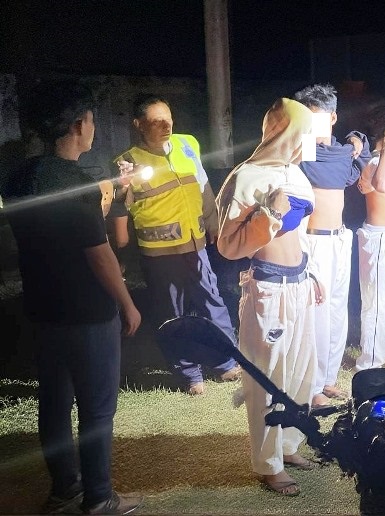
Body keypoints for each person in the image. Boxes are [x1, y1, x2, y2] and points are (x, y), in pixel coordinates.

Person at [2, 80, 142, 514]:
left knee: (54, 402)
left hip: (42, 305)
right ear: (79, 125)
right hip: (87, 310)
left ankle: (64, 488)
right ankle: (99, 497)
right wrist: (127, 303)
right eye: (92, 120)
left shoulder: (19, 177)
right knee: (97, 409)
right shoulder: (77, 182)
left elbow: (60, 229)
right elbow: (98, 254)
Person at [216, 97, 324, 497]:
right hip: (267, 290)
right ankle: (268, 465)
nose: (309, 141)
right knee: (268, 380)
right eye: (305, 133)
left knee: (300, 374)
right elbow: (228, 246)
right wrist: (269, 215)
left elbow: (302, 233)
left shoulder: (295, 173)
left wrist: (312, 272)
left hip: (300, 285)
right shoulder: (246, 177)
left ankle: (289, 445)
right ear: (285, 132)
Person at [115, 95, 241, 395]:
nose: (166, 126)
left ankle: (226, 362)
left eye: (168, 119)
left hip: (196, 245)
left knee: (213, 302)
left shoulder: (187, 144)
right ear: (138, 124)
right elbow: (120, 208)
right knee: (173, 314)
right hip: (160, 255)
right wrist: (122, 186)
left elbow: (202, 183)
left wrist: (212, 219)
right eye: (157, 121)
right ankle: (189, 374)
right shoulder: (127, 162)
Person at [292, 84, 371, 408]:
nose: (312, 124)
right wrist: (356, 143)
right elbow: (337, 158)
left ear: (333, 116)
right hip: (314, 242)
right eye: (306, 117)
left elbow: (360, 161)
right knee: (318, 312)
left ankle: (327, 378)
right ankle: (311, 387)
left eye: (319, 117)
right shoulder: (304, 151)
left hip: (340, 238)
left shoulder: (341, 152)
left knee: (338, 309)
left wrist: (357, 140)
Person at [355, 108, 385, 371]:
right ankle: (370, 362)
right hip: (378, 237)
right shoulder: (382, 158)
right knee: (377, 298)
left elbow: (369, 186)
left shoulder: (379, 160)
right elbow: (381, 185)